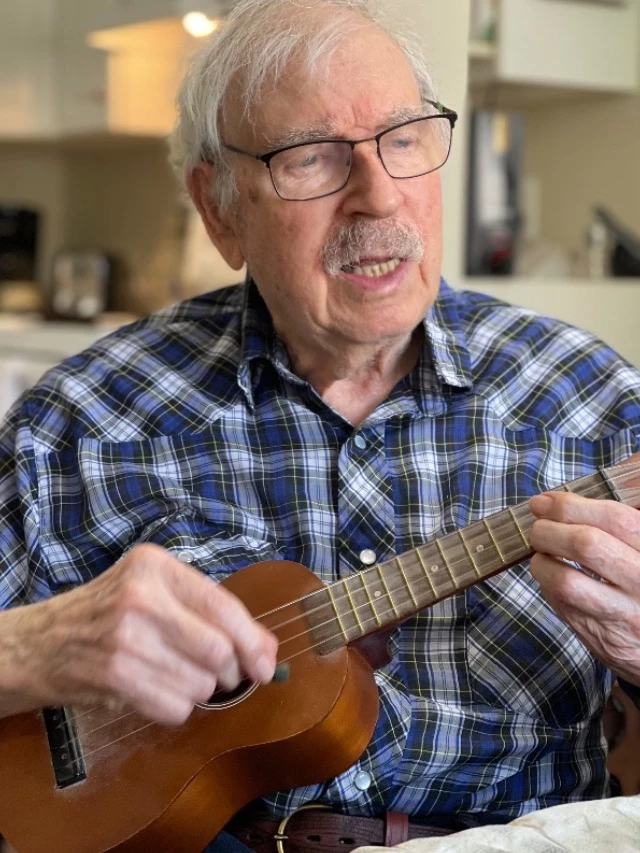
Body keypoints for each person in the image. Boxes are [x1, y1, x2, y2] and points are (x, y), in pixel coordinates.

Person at [1, 0, 640, 851]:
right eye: (311, 157)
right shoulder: (76, 419)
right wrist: (30, 646)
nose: (380, 197)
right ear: (219, 209)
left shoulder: (595, 398)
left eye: (405, 137)